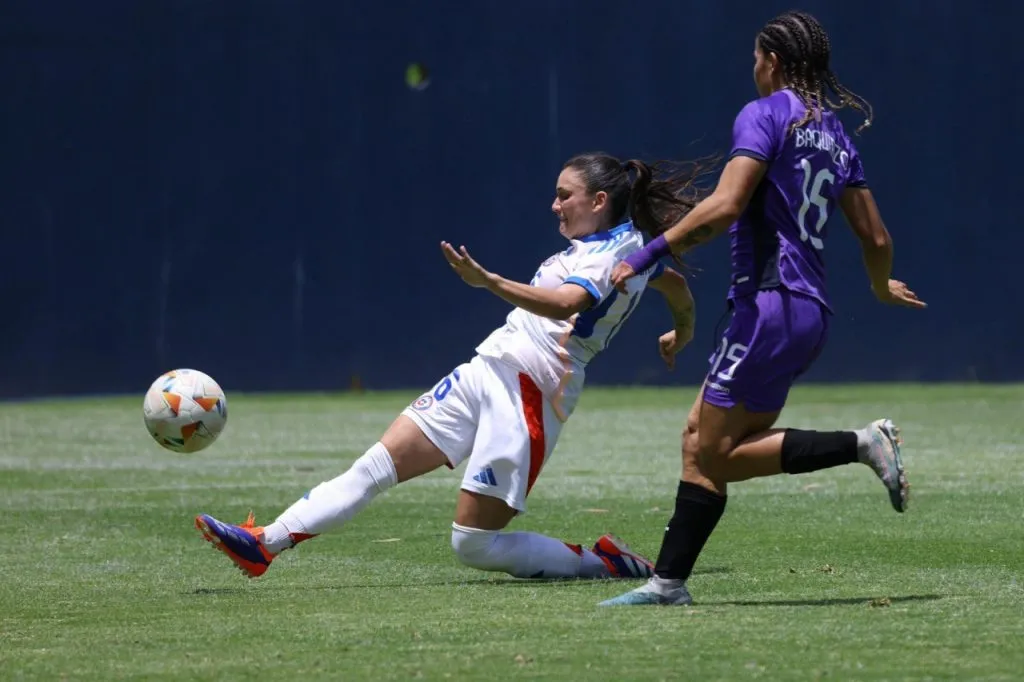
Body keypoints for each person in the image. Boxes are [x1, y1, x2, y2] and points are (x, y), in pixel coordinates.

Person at [195, 151, 715, 583]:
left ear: (599, 200)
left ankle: (601, 561)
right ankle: (266, 543)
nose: (553, 204)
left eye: (564, 194)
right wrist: (683, 330)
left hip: (533, 390)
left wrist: (489, 282)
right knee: (374, 466)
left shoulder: (613, 255)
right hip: (487, 368)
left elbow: (565, 304)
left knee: (472, 545)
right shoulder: (624, 253)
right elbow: (675, 285)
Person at [599, 10, 927, 607]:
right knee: (698, 435)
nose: (753, 68)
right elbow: (876, 240)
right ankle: (668, 583)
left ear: (772, 62)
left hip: (766, 307)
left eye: (756, 58)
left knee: (714, 455)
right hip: (808, 312)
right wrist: (881, 289)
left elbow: (726, 206)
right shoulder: (837, 134)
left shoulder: (764, 113)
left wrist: (647, 253)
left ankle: (861, 443)